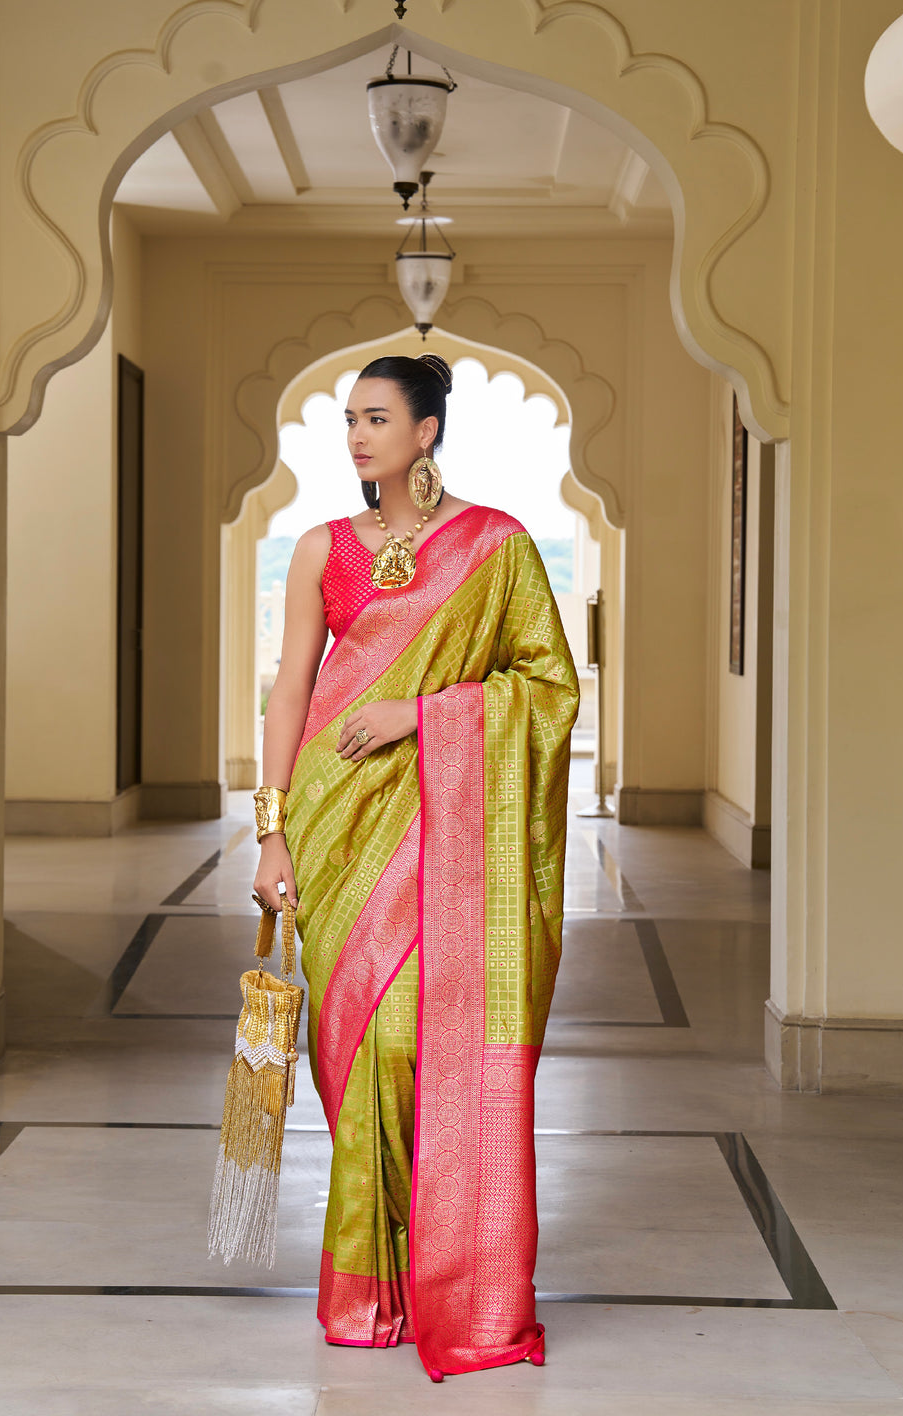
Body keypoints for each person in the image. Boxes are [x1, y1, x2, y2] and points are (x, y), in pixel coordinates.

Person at [251, 352, 579, 1382]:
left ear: (426, 431)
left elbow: (546, 686)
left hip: (445, 829)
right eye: (348, 419)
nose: (356, 436)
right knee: (352, 1057)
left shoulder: (497, 548)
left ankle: (454, 1278)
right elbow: (289, 690)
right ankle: (367, 1284)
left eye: (378, 418)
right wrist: (270, 827)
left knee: (415, 1043)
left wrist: (423, 715)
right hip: (336, 823)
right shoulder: (319, 548)